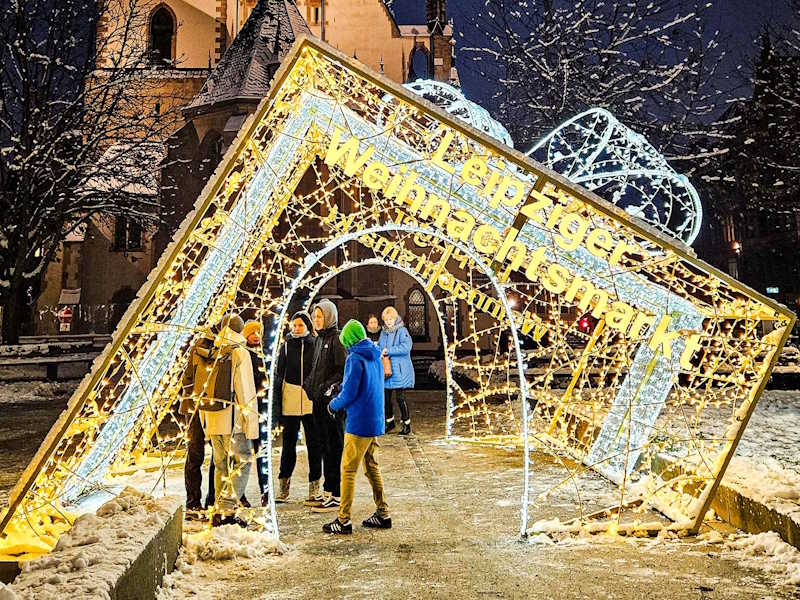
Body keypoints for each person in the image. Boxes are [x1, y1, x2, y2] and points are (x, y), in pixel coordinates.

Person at [322, 319, 391, 535]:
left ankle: (343, 519)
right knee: (371, 466)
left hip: (358, 422)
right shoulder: (375, 354)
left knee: (348, 469)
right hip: (374, 420)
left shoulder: (354, 358)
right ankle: (383, 513)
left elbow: (350, 393)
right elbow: (368, 385)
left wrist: (333, 405)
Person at [202, 314, 259, 527]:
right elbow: (246, 391)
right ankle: (226, 510)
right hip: (233, 419)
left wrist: (205, 423)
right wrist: (251, 424)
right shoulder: (239, 353)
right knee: (242, 461)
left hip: (213, 418)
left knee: (220, 466)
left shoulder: (214, 350)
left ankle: (219, 509)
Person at [273, 311, 321, 504]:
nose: (296, 328)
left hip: (310, 397)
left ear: (307, 326)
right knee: (288, 444)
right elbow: (279, 373)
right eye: (294, 325)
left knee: (314, 444)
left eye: (300, 325)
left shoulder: (315, 344)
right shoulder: (286, 347)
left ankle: (315, 484)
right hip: (290, 397)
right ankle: (284, 485)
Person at [304, 299, 346, 513]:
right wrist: (309, 385)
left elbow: (340, 371)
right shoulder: (319, 340)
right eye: (314, 316)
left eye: (319, 316)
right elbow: (316, 368)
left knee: (334, 447)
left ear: (329, 317)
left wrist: (326, 388)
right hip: (318, 402)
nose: (316, 320)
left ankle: (337, 493)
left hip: (331, 405)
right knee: (323, 446)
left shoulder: (337, 340)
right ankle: (329, 491)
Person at [180, 332, 216, 519]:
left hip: (211, 407)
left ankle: (210, 499)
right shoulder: (199, 350)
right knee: (196, 454)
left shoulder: (227, 350)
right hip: (198, 408)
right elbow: (187, 379)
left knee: (216, 454)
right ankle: (194, 502)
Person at [243, 319, 270, 507]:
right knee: (242, 454)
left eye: (258, 332)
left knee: (262, 453)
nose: (255, 336)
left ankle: (265, 491)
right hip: (246, 409)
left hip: (261, 410)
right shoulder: (242, 354)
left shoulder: (265, 355)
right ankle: (239, 493)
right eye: (252, 332)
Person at [379, 306, 414, 435]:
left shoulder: (402, 331)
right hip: (387, 370)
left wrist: (389, 351)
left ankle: (406, 423)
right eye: (386, 320)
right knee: (386, 398)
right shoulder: (383, 332)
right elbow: (381, 346)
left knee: (400, 398)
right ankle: (390, 421)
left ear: (395, 318)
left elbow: (406, 347)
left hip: (399, 370)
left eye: (390, 319)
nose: (388, 322)